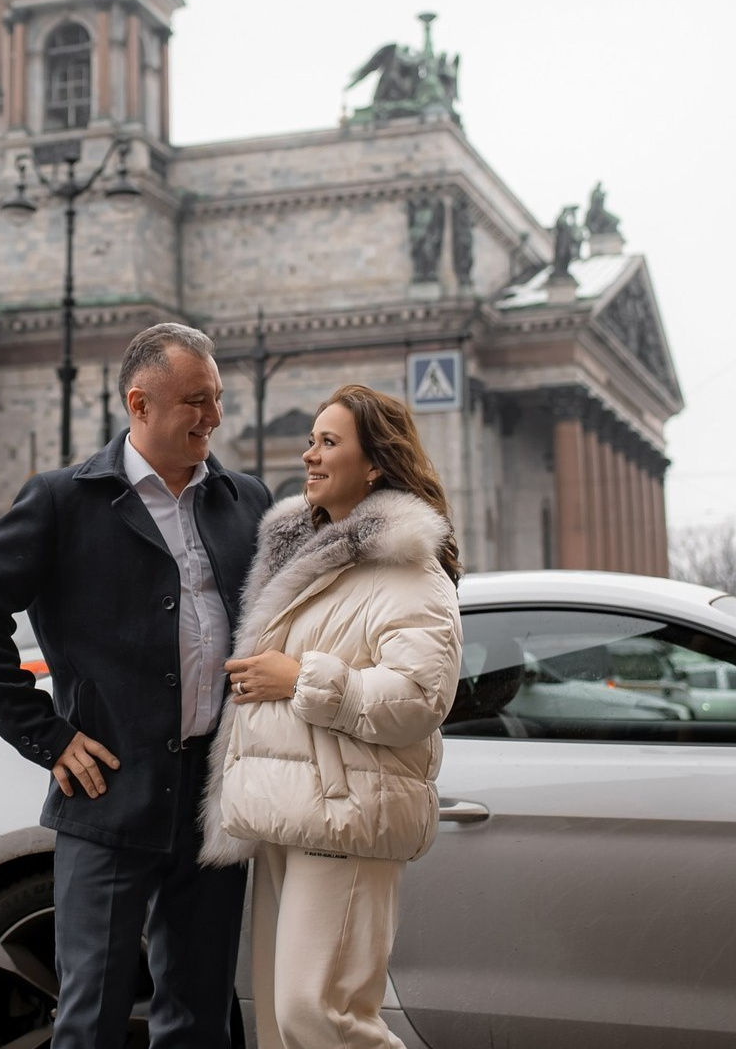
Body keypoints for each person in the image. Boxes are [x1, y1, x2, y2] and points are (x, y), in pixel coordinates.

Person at [0, 323, 272, 1049]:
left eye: (217, 399)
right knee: (89, 1016)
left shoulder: (244, 499)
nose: (214, 418)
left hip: (214, 797)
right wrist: (47, 736)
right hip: (108, 793)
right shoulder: (66, 499)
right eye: (195, 401)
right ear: (140, 403)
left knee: (200, 1014)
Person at [200, 384, 463, 1049]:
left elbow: (419, 699)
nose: (309, 455)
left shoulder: (410, 571)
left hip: (345, 815)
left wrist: (301, 677)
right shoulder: (305, 558)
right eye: (312, 440)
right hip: (285, 808)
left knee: (322, 1018)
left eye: (329, 442)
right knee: (285, 1029)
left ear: (374, 464)